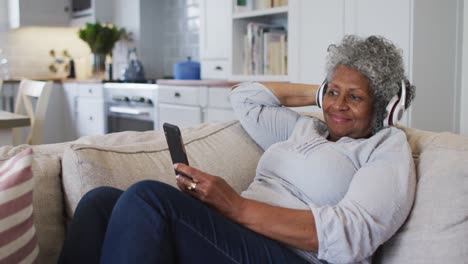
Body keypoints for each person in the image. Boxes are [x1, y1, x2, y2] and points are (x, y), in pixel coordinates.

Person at [58, 35, 416, 264]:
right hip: (238, 236)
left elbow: (353, 236)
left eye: (355, 97)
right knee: (99, 201)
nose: (338, 105)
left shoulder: (385, 147)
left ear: (384, 107)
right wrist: (320, 93)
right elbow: (245, 99)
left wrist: (235, 206)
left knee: (147, 198)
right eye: (332, 91)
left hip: (295, 256)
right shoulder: (306, 127)